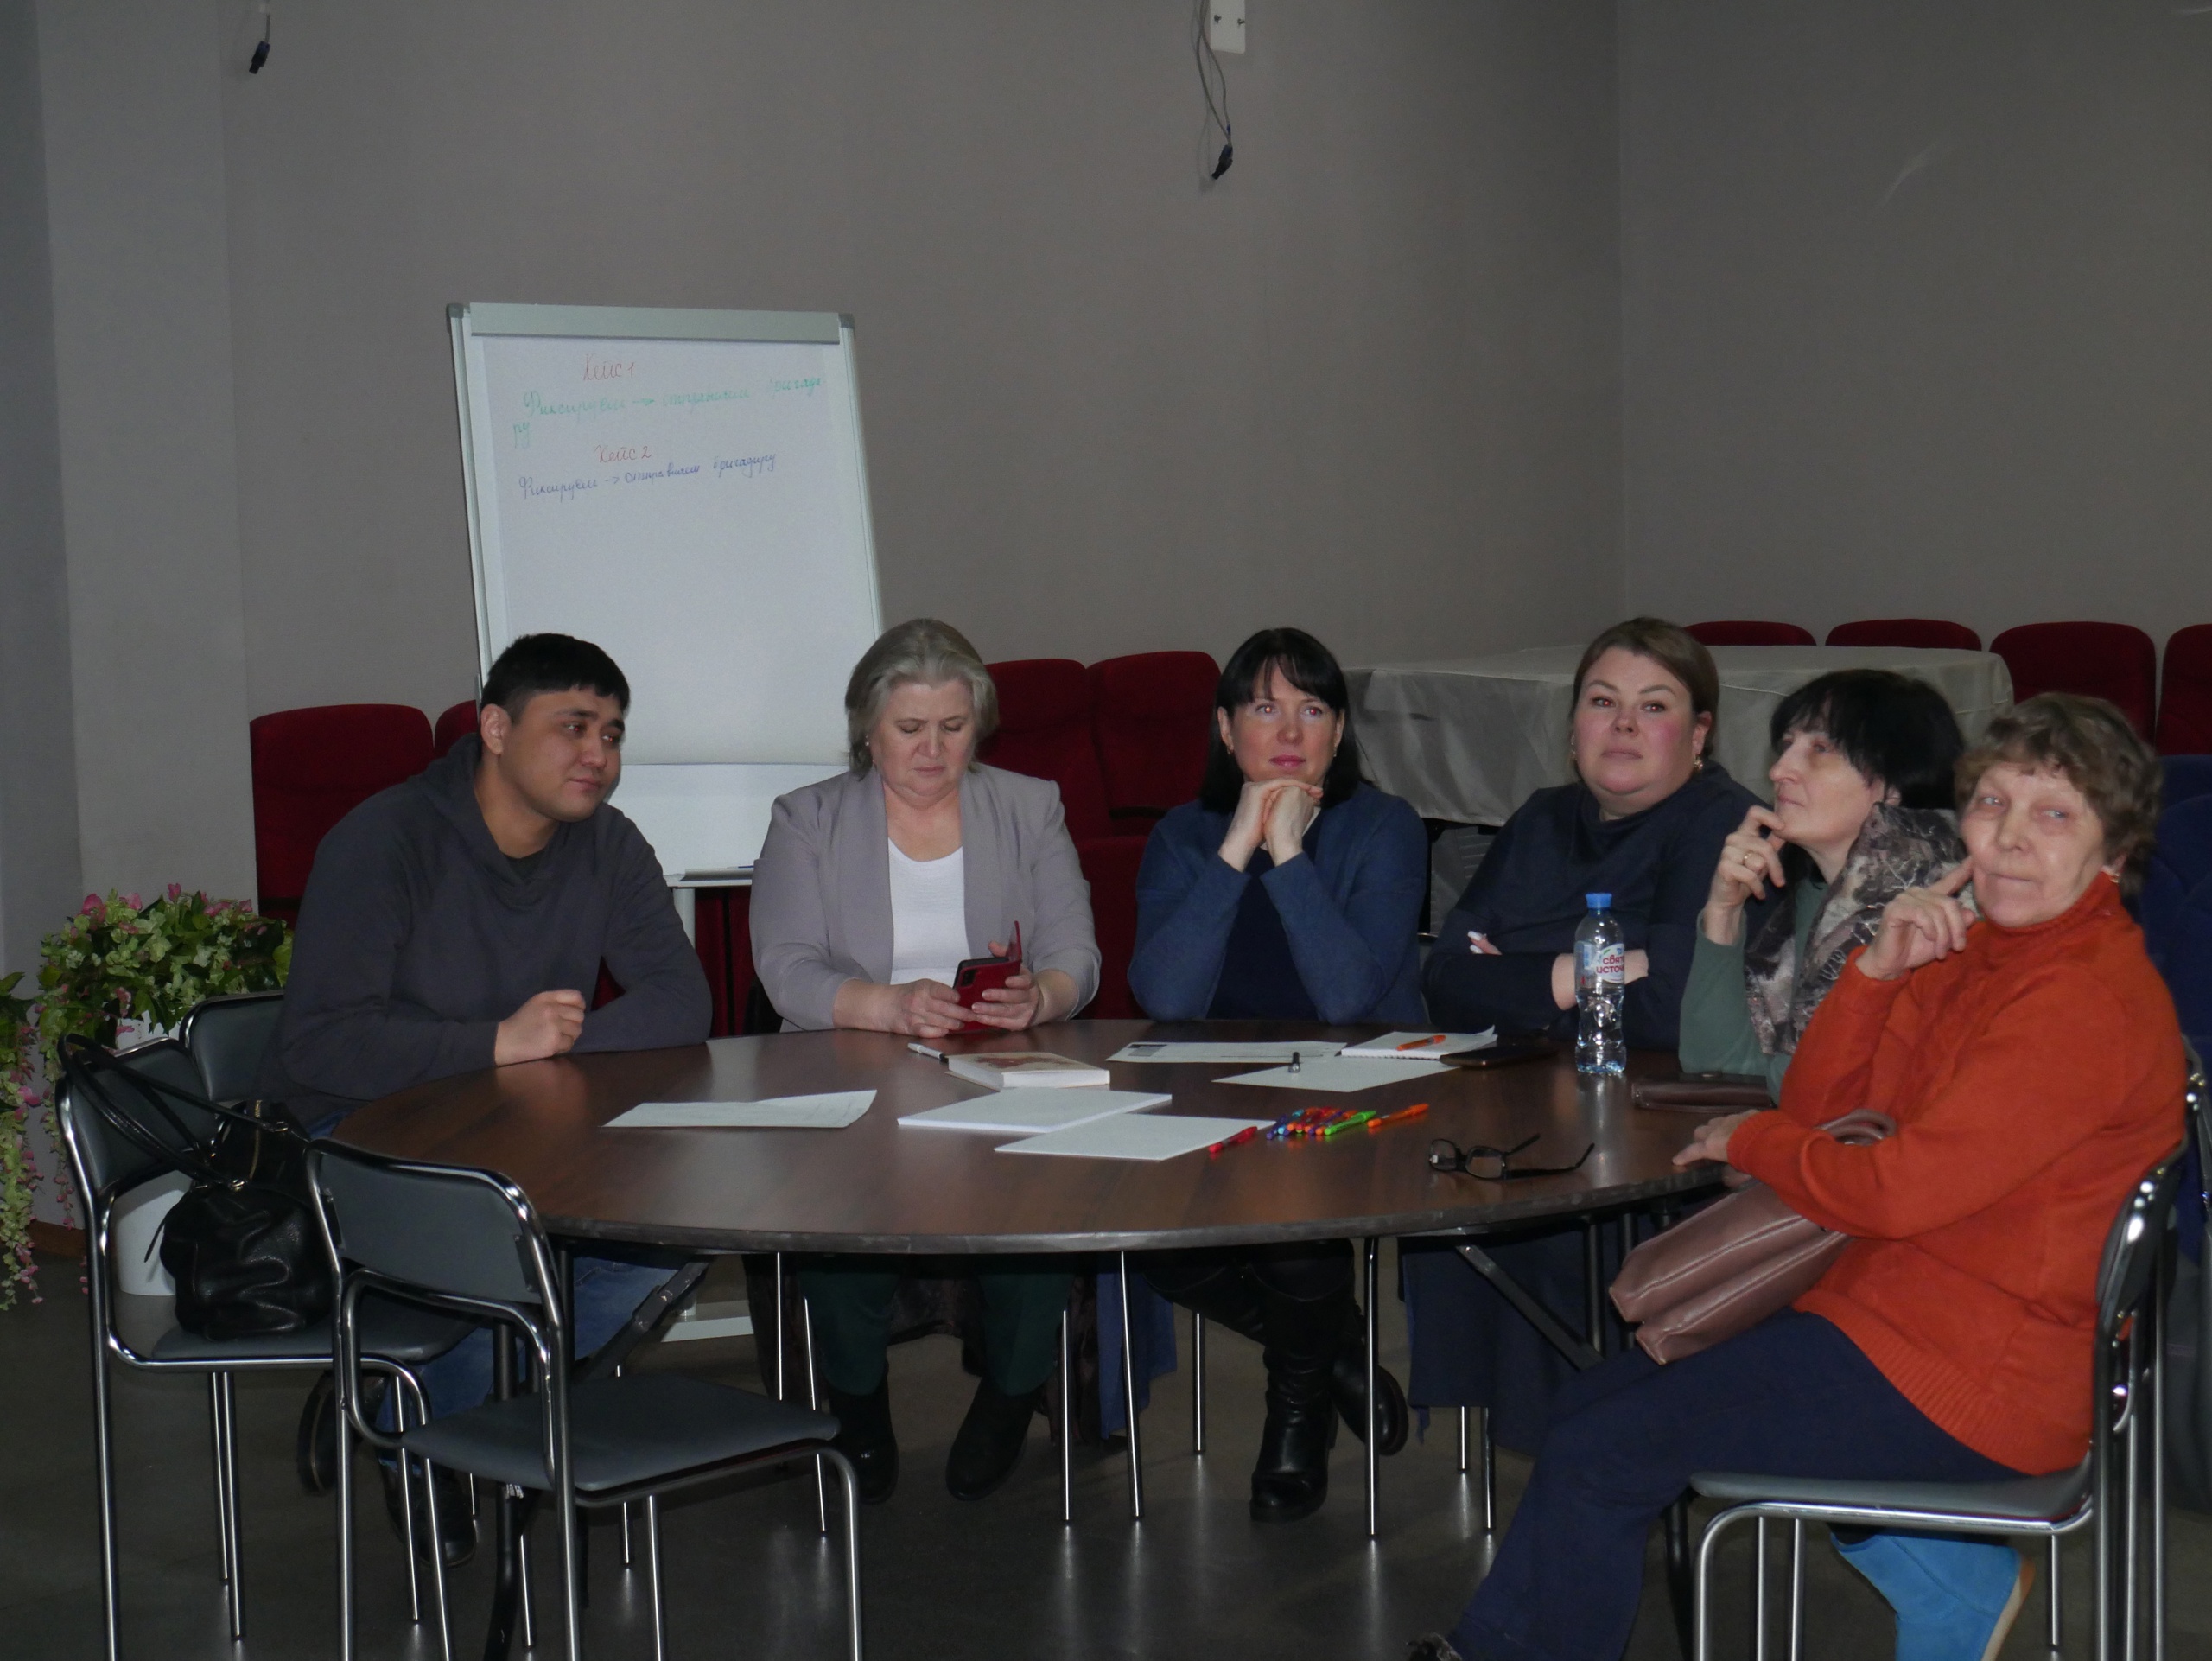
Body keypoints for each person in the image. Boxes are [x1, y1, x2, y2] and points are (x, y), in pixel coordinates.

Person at [1414, 693, 2184, 1661]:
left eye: (2055, 813)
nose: (2011, 837)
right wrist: (1876, 972)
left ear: (2114, 853)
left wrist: (1750, 1142)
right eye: (1992, 803)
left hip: (1977, 1374)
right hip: (1889, 1312)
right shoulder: (1979, 947)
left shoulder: (2080, 1000)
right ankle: (1949, 1578)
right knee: (1583, 1410)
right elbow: (1823, 1111)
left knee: (1603, 1449)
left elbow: (1888, 1188)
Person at [264, 633, 713, 1566]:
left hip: (520, 1128)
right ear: (496, 729)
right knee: (504, 1241)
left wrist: (553, 1046)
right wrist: (494, 1043)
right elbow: (320, 1042)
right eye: (573, 727)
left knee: (665, 1238)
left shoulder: (607, 843)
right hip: (362, 1139)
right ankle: (435, 1417)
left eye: (613, 733)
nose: (598, 755)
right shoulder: (384, 840)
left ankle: (419, 1408)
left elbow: (681, 1000)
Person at [750, 618, 1099, 1505]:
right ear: (867, 731)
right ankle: (857, 1404)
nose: (933, 750)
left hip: (1001, 1070)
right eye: (910, 728)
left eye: (953, 726)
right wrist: (889, 1003)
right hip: (851, 1074)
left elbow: (1076, 953)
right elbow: (786, 967)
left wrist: (1042, 996)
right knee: (843, 1230)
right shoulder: (808, 818)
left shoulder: (1029, 806)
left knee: (1037, 1218)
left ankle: (1011, 1393)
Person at [1404, 618, 1758, 1454]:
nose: (1624, 724)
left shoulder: (1723, 823)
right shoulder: (1541, 817)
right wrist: (1598, 966)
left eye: (1654, 705)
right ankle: (1550, 1451)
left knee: (1547, 1203)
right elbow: (1445, 979)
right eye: (1603, 702)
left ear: (1699, 734)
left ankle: (1596, 1451)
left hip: (1661, 1125)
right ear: (1573, 729)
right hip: (1525, 1097)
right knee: (1447, 1183)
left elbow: (1670, 1008)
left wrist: (1522, 971)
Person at [1126, 627, 1423, 1521]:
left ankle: (1294, 1413)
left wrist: (1288, 853)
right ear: (1226, 729)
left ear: (1340, 731)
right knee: (1151, 1240)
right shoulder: (1182, 836)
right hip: (1211, 1092)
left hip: (1358, 1094)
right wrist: (1235, 848)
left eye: (1313, 708)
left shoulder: (1383, 827)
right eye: (1264, 707)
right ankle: (1334, 1353)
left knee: (1291, 1231)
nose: (1289, 730)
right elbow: (1164, 994)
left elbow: (1346, 997)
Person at [1679, 669, 1966, 1094]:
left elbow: (1806, 1086)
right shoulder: (1813, 896)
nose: (1779, 771)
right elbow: (1715, 1066)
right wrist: (1724, 913)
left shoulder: (1936, 902)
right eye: (1787, 746)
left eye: (1820, 749)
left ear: (1892, 784)